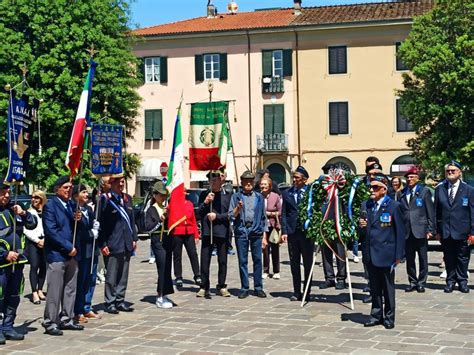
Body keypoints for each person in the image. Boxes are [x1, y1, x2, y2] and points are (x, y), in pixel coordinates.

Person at [358, 173, 405, 329]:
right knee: (375, 287)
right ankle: (376, 315)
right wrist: (361, 226)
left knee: (388, 287)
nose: (372, 190)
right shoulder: (366, 205)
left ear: (384, 189)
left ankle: (389, 317)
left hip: (386, 253)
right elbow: (363, 232)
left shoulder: (394, 206)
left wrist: (398, 255)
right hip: (370, 252)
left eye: (375, 187)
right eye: (370, 187)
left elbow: (400, 232)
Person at [42, 176, 83, 336]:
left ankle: (67, 318)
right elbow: (51, 231)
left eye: (70, 187)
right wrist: (67, 247)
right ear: (57, 189)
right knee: (55, 290)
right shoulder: (50, 206)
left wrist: (79, 220)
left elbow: (78, 228)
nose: (69, 190)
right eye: (65, 187)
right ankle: (50, 322)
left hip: (73, 254)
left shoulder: (73, 205)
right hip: (57, 254)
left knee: (70, 289)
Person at [0, 181, 37, 343]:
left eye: (8, 192)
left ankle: (8, 326)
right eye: (3, 193)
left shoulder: (13, 209)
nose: (7, 195)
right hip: (2, 263)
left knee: (14, 296)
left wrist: (24, 214)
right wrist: (4, 254)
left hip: (18, 263)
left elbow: (32, 224)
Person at [98, 174, 137, 314]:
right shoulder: (105, 200)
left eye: (123, 182)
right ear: (112, 183)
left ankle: (120, 300)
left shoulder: (128, 199)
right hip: (112, 243)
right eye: (118, 182)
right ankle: (110, 302)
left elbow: (132, 221)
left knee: (123, 275)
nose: (121, 184)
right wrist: (102, 244)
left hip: (126, 242)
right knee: (111, 275)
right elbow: (100, 224)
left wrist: (134, 238)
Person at [435, 160, 473, 293]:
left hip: (463, 230)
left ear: (460, 172)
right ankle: (450, 281)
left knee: (463, 257)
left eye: (453, 170)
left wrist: (473, 232)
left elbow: (472, 212)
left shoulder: (468, 190)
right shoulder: (440, 189)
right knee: (449, 257)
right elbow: (437, 212)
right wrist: (437, 231)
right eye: (448, 171)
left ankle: (462, 281)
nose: (450, 173)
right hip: (446, 230)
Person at [229, 170, 266, 299]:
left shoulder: (259, 197)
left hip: (256, 231)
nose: (248, 183)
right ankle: (244, 287)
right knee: (242, 261)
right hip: (241, 231)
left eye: (251, 181)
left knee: (257, 260)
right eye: (246, 181)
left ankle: (258, 287)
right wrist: (238, 208)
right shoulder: (236, 197)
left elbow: (263, 216)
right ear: (242, 182)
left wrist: (264, 236)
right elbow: (231, 216)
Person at [197, 170, 233, 298]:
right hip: (208, 232)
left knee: (222, 261)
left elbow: (229, 215)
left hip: (222, 232)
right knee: (205, 260)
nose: (213, 182)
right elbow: (198, 214)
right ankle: (204, 286)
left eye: (216, 180)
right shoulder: (204, 195)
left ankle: (221, 285)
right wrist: (206, 202)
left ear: (221, 180)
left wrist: (217, 216)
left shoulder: (227, 195)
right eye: (211, 180)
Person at [281, 166, 314, 302]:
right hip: (292, 232)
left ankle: (307, 291)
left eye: (297, 178)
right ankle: (296, 291)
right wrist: (284, 231)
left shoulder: (311, 193)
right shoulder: (287, 193)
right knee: (294, 262)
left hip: (306, 233)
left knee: (308, 263)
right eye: (293, 177)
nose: (294, 180)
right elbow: (283, 213)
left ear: (305, 180)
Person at [399, 167, 435, 293]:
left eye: (412, 177)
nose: (410, 179)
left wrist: (431, 229)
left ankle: (421, 282)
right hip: (407, 231)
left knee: (423, 258)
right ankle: (412, 281)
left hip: (421, 229)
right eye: (407, 177)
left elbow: (430, 212)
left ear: (417, 178)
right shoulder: (402, 193)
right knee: (410, 259)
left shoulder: (424, 191)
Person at [72, 185, 101, 322]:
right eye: (83, 191)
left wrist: (95, 228)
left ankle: (87, 306)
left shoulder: (88, 209)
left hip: (92, 250)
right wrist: (91, 233)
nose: (86, 194)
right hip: (82, 250)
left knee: (91, 279)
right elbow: (77, 232)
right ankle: (78, 310)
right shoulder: (74, 210)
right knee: (81, 281)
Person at [145, 181, 175, 308]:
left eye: (165, 195)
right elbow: (148, 228)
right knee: (162, 268)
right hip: (158, 241)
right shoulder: (151, 210)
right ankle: (159, 295)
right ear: (155, 195)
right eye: (161, 195)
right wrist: (160, 220)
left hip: (168, 240)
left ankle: (165, 293)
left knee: (168, 268)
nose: (163, 198)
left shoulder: (165, 208)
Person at [171, 190, 201, 288]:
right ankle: (178, 276)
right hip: (177, 232)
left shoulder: (189, 204)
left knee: (193, 254)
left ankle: (197, 275)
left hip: (189, 232)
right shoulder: (173, 204)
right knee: (177, 255)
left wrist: (196, 235)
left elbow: (193, 220)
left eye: (183, 192)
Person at [24, 190, 47, 305]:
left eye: (36, 197)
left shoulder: (46, 211)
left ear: (42, 199)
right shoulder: (29, 212)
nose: (34, 200)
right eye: (32, 197)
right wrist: (37, 240)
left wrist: (45, 240)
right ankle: (34, 292)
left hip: (45, 242)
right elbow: (26, 230)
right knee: (34, 266)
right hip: (34, 243)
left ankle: (40, 290)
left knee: (44, 266)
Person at [260, 177, 282, 280]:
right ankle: (266, 270)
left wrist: (271, 214)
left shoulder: (276, 196)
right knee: (264, 249)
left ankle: (276, 271)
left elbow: (280, 211)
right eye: (261, 184)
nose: (263, 186)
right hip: (262, 226)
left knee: (275, 249)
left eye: (265, 184)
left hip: (273, 226)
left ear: (270, 186)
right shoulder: (258, 196)